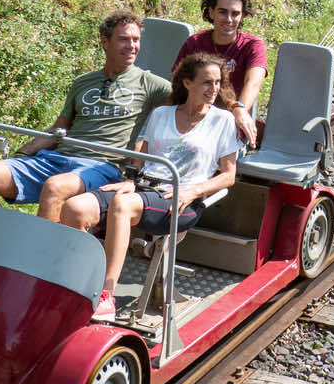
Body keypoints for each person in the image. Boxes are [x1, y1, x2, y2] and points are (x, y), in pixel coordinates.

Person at [0, 12, 171, 225]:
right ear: (105, 42)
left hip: (102, 166)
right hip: (57, 158)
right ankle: (4, 244)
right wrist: (23, 153)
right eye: (123, 39)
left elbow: (190, 104)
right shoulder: (83, 82)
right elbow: (59, 128)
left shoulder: (150, 83)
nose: (131, 46)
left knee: (55, 187)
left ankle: (39, 255)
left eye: (136, 40)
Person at [91, 53, 244, 322]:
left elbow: (229, 175)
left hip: (180, 198)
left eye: (218, 82)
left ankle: (106, 294)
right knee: (75, 208)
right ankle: (72, 282)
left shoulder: (222, 121)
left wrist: (192, 192)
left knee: (122, 205)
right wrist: (130, 178)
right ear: (187, 83)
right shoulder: (161, 114)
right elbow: (143, 154)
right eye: (207, 82)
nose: (214, 89)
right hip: (144, 186)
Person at [172, 0, 266, 147]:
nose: (229, 19)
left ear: (242, 16)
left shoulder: (252, 45)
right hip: (194, 118)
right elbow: (177, 82)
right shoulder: (195, 43)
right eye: (223, 12)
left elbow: (254, 82)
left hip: (232, 119)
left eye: (235, 14)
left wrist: (240, 108)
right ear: (211, 12)